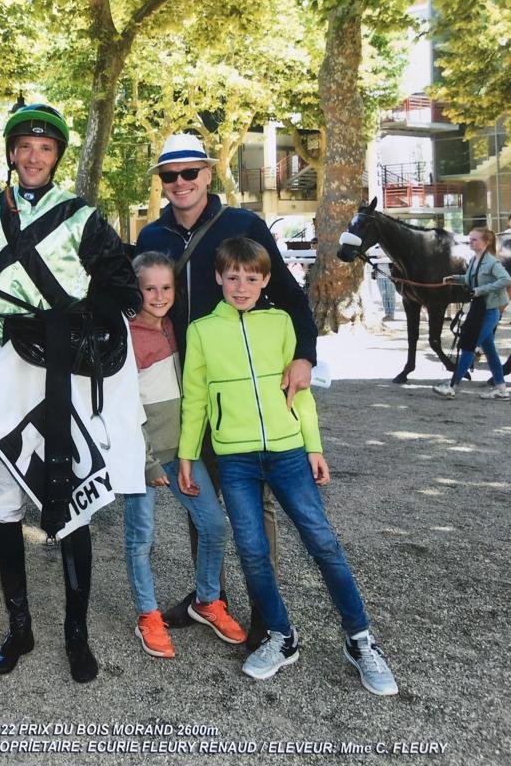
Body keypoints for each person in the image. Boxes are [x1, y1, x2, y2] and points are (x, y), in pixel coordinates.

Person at [177, 236, 399, 697]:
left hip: (288, 452)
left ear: (265, 280)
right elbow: (194, 398)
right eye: (232, 277)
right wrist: (187, 454)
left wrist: (313, 446)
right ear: (218, 277)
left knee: (323, 543)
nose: (241, 286)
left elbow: (301, 391)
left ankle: (360, 639)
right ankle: (281, 635)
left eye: (251, 278)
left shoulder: (281, 323)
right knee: (252, 552)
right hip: (234, 458)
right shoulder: (200, 331)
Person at [0, 104, 141, 683]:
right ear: (11, 152)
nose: (33, 156)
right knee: (3, 502)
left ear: (57, 157)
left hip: (61, 370)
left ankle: (77, 634)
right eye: (24, 146)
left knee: (71, 497)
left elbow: (123, 289)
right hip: (2, 368)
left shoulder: (82, 217)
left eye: (44, 148)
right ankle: (19, 628)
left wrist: (69, 321)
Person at [135, 132, 317, 645]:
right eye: (170, 175)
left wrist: (304, 356)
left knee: (256, 505)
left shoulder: (243, 226)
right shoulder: (152, 237)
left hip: (243, 393)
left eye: (189, 172)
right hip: (186, 391)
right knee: (201, 502)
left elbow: (291, 296)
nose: (180, 182)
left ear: (208, 174)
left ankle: (267, 613)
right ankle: (209, 598)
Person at [122, 251, 245, 659]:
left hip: (182, 454)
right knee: (141, 538)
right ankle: (147, 615)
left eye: (167, 287)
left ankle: (207, 600)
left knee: (214, 525)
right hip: (143, 458)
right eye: (150, 289)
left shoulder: (175, 326)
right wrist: (148, 462)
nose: (159, 296)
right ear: (136, 290)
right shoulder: (126, 337)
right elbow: (123, 408)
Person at [432, 227, 510, 400]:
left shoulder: (492, 262)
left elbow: (506, 280)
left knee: (468, 346)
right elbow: (470, 279)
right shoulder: (475, 260)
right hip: (479, 310)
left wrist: (481, 290)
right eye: (470, 239)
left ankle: (452, 387)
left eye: (475, 239)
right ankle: (501, 390)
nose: (471, 242)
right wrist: (454, 279)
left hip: (488, 312)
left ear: (486, 242)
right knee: (490, 351)